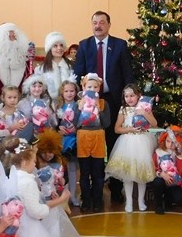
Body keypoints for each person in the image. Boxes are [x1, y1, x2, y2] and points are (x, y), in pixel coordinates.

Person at [74, 11, 135, 204]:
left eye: (102, 22)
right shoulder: (84, 45)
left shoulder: (120, 45)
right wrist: (80, 101)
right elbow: (78, 74)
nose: (98, 26)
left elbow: (128, 74)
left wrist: (128, 102)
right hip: (89, 107)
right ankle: (93, 193)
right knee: (93, 150)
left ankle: (116, 189)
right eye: (95, 22)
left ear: (109, 25)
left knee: (114, 143)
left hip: (113, 101)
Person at [0, 137, 71, 237]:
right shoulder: (27, 182)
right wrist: (60, 200)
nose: (34, 164)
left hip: (13, 225)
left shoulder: (8, 177)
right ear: (25, 163)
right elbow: (36, 211)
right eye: (33, 161)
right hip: (27, 227)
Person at [105, 84, 158, 212]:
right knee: (127, 174)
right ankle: (129, 201)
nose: (129, 99)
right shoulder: (124, 109)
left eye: (132, 96)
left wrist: (144, 113)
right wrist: (130, 129)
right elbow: (117, 128)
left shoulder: (145, 107)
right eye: (126, 96)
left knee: (141, 173)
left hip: (143, 142)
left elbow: (154, 123)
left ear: (138, 95)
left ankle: (141, 201)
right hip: (127, 142)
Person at [76, 73, 111, 212]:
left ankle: (97, 200)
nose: (92, 89)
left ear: (99, 88)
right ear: (83, 87)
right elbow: (75, 123)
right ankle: (85, 199)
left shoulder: (103, 103)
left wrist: (99, 109)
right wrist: (79, 109)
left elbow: (106, 123)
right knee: (84, 173)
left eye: (95, 87)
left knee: (98, 173)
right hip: (83, 138)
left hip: (98, 138)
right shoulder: (79, 103)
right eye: (89, 87)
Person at [152, 126, 182, 215]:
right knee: (157, 182)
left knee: (181, 199)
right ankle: (158, 205)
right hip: (162, 180)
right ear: (164, 140)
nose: (170, 145)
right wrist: (162, 174)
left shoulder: (180, 155)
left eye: (173, 142)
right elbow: (154, 168)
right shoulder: (158, 152)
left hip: (174, 183)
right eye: (168, 141)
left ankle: (168, 199)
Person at [0, 23, 31, 92]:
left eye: (14, 37)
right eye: (9, 37)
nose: (12, 40)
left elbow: (30, 78)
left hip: (20, 96)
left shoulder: (24, 57)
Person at [56, 80, 81, 207]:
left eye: (72, 91)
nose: (69, 93)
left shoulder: (78, 105)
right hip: (61, 141)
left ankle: (73, 195)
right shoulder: (58, 106)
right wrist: (58, 128)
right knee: (60, 169)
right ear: (62, 92)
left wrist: (76, 128)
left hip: (74, 141)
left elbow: (82, 120)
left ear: (76, 92)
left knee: (72, 168)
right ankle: (60, 196)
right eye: (66, 91)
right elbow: (54, 123)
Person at [35, 31, 75, 100]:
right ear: (49, 49)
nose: (59, 48)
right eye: (55, 46)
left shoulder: (71, 66)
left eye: (61, 45)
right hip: (48, 103)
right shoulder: (41, 69)